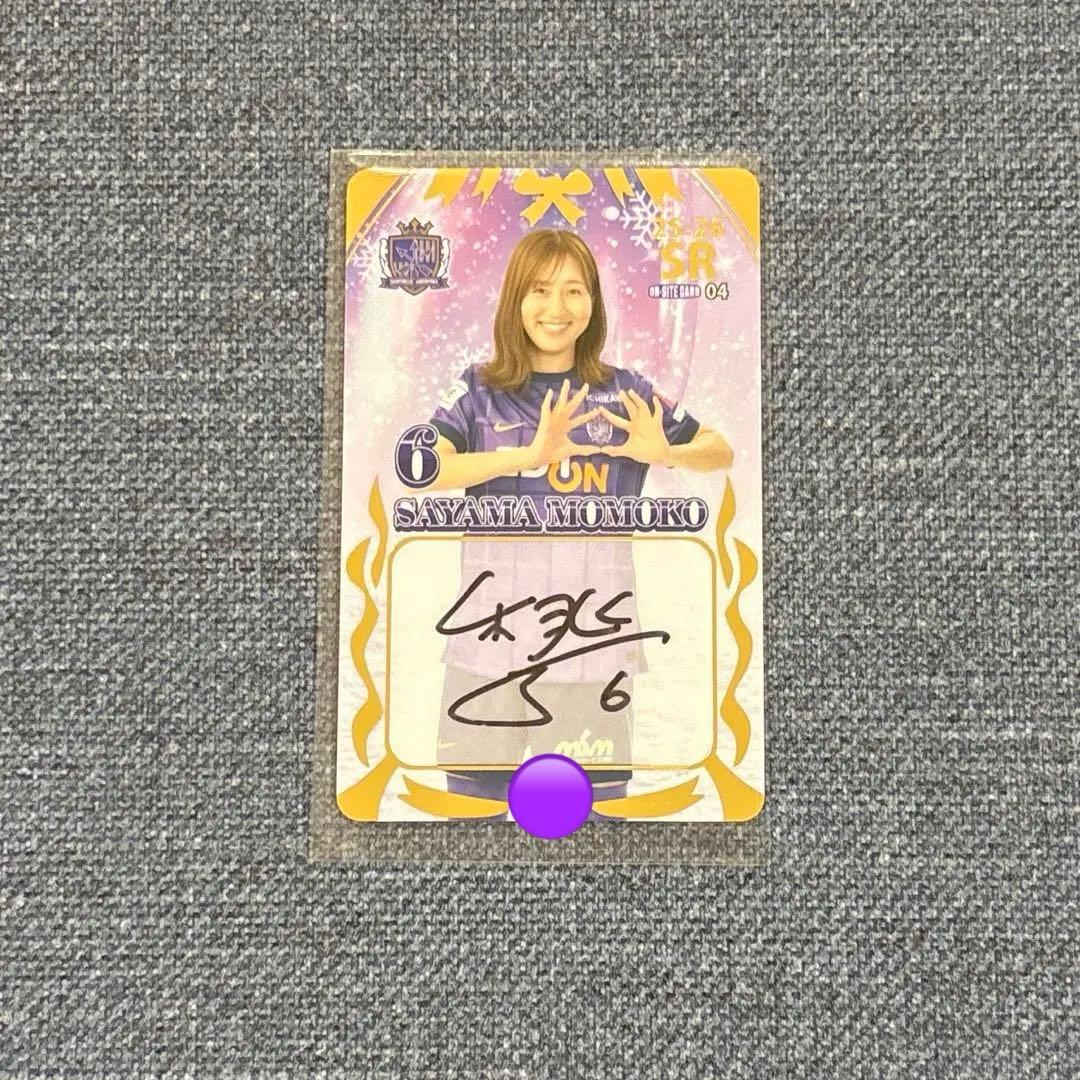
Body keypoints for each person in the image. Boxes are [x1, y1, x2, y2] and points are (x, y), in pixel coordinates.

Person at [421, 228, 732, 819]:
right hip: (486, 650)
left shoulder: (626, 392)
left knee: (590, 831)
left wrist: (664, 453)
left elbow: (719, 449)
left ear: (593, 301)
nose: (556, 308)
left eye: (573, 290)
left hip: (593, 654)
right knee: (467, 831)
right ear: (515, 299)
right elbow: (423, 469)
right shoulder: (479, 390)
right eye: (540, 290)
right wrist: (526, 456)